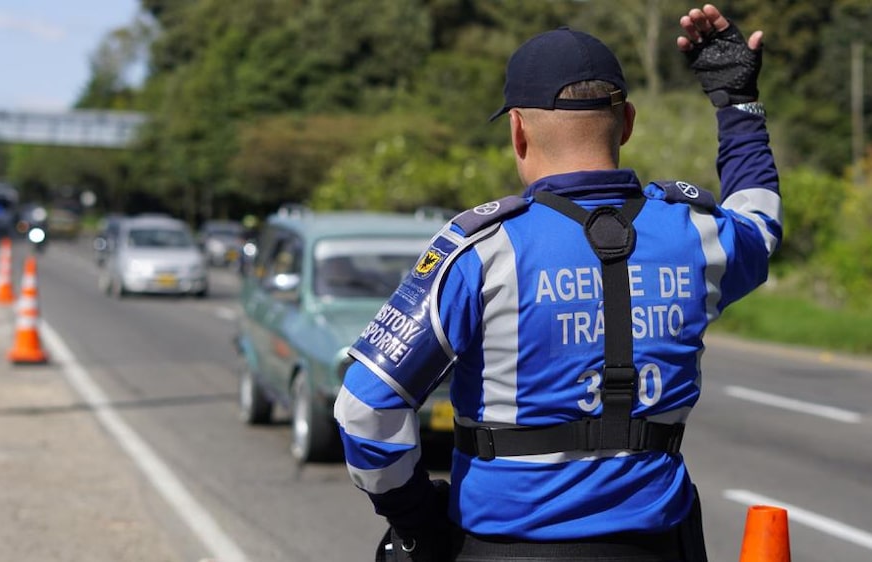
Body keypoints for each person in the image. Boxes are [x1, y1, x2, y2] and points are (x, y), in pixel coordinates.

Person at [335, 4, 781, 561]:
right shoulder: (696, 234)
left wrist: (415, 519)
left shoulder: (480, 249)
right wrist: (737, 104)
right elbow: (760, 224)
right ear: (627, 123)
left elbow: (365, 411)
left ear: (518, 131)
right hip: (658, 546)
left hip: (504, 547)